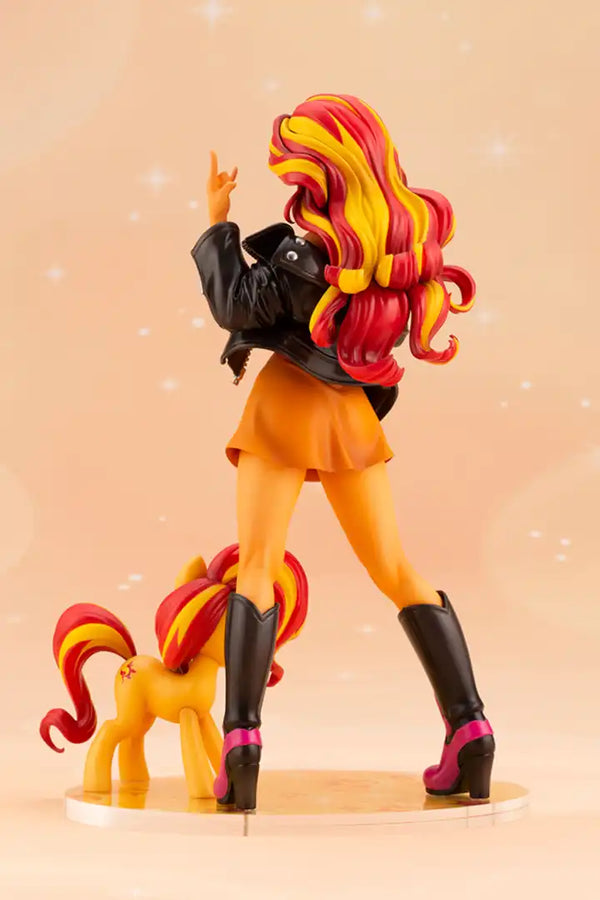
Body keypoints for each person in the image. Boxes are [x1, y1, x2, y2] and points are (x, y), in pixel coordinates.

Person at [191, 93, 494, 812]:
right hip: (349, 414)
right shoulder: (388, 254)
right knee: (397, 569)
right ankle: (471, 729)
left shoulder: (301, 256)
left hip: (283, 408)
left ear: (320, 169)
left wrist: (218, 222)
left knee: (257, 568)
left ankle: (241, 744)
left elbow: (234, 306)